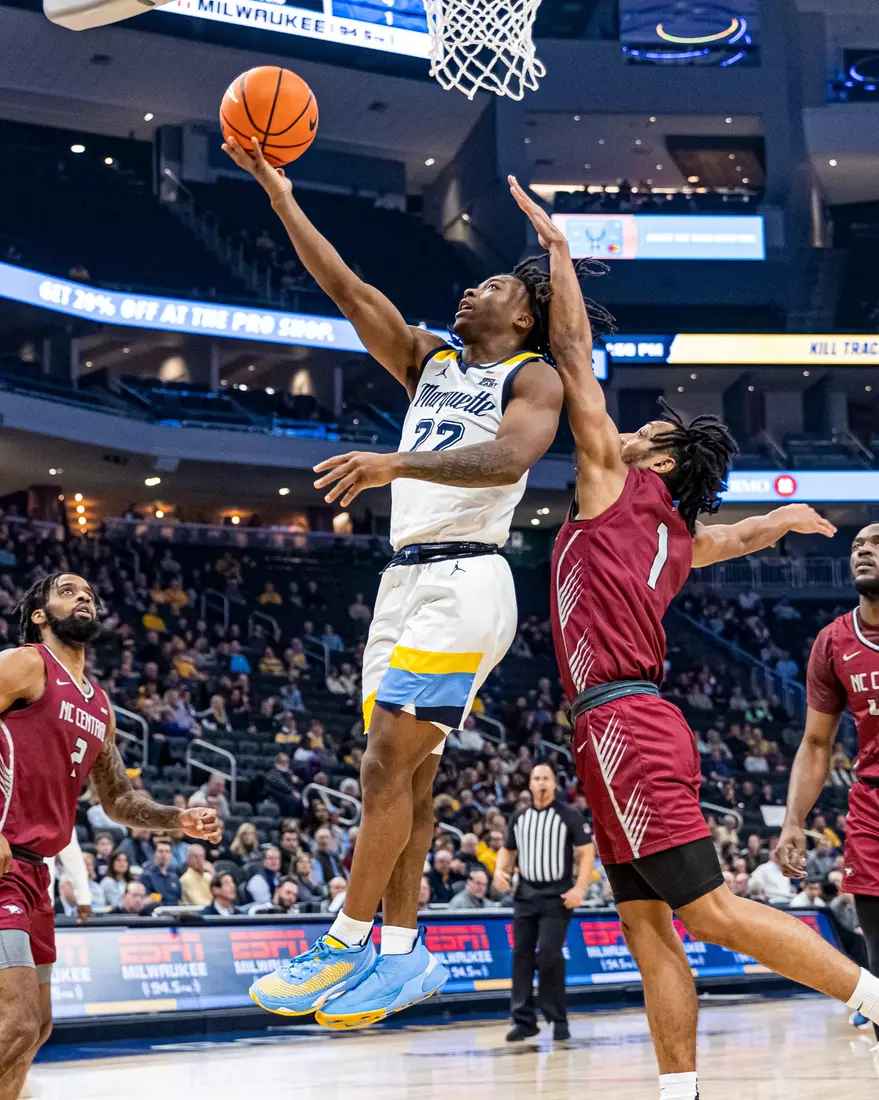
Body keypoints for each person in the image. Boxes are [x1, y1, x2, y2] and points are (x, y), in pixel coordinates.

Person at [508, 178, 879, 1100]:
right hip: (622, 725)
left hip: (621, 724)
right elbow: (741, 534)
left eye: (648, 432)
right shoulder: (680, 538)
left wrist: (557, 255)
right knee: (645, 928)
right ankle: (680, 1090)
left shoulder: (615, 484)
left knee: (705, 912)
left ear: (661, 459)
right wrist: (787, 522)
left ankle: (869, 990)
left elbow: (573, 352)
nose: (625, 430)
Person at [229, 136, 609, 1030]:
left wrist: (391, 462)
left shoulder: (533, 377)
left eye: (495, 288)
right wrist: (280, 197)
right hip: (403, 586)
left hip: (468, 581)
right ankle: (401, 957)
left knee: (381, 763)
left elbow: (509, 459)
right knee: (411, 781)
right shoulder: (430, 362)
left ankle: (342, 940)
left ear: (523, 319)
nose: (471, 290)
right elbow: (348, 289)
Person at [0, 573, 221, 1097]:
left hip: (38, 877)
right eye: (69, 591)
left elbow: (120, 800)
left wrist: (178, 819)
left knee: (37, 1029)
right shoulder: (27, 663)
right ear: (39, 615)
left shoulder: (99, 705)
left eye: (90, 594)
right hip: (4, 867)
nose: (84, 598)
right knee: (17, 1025)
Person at [778, 524, 879, 1052]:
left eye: (878, 542)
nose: (864, 550)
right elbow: (817, 744)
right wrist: (794, 820)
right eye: (858, 544)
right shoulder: (834, 641)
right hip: (872, 811)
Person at [493, 763, 593, 1042]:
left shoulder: (569, 815)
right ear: (529, 784)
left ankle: (557, 1017)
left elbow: (586, 852)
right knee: (521, 957)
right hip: (525, 895)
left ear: (554, 784)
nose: (541, 783)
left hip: (557, 896)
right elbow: (507, 849)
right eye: (536, 778)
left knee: (549, 954)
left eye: (546, 778)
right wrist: (500, 871)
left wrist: (580, 888)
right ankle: (524, 1020)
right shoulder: (519, 816)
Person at [139, 837, 183, 906]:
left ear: (171, 855)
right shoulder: (146, 875)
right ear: (155, 853)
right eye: (160, 851)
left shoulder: (174, 875)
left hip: (175, 911)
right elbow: (144, 899)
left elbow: (179, 899)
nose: (164, 854)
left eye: (167, 851)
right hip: (158, 912)